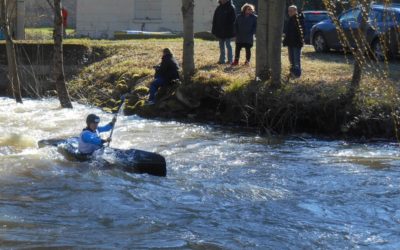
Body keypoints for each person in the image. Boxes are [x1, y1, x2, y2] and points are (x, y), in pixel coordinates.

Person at [283, 5, 305, 78]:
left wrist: (300, 41)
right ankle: (292, 72)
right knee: (291, 59)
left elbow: (302, 32)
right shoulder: (290, 20)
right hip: (290, 42)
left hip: (296, 43)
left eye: (291, 11)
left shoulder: (299, 20)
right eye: (289, 11)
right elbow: (288, 32)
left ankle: (297, 74)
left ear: (296, 11)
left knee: (296, 59)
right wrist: (285, 40)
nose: (289, 12)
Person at [212, 0, 236, 64]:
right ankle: (222, 60)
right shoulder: (218, 8)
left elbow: (233, 20)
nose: (223, 0)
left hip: (228, 31)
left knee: (228, 45)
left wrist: (231, 29)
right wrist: (214, 30)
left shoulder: (231, 7)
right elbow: (215, 20)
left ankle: (230, 60)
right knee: (221, 46)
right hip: (220, 30)